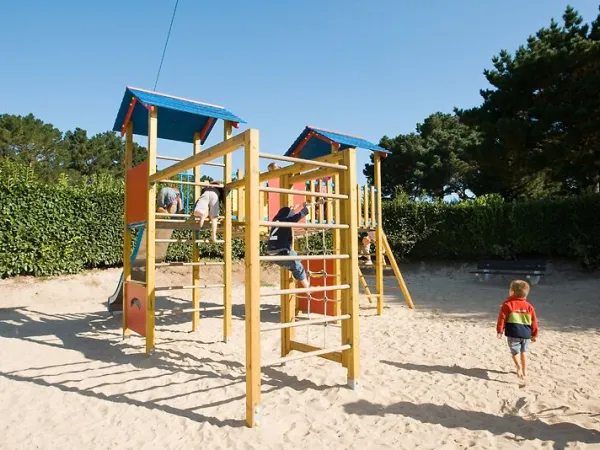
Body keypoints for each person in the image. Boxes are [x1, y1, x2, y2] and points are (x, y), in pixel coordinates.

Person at [496, 280, 539, 380]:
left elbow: (501, 319)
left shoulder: (507, 304)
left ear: (512, 292)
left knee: (515, 353)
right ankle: (525, 370)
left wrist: (499, 331)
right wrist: (534, 335)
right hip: (526, 334)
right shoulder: (529, 307)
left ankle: (518, 367)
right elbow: (534, 322)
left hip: (513, 334)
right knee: (524, 352)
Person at [266, 202, 311, 289]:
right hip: (280, 252)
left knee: (294, 256)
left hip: (272, 253)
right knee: (297, 265)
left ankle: (297, 274)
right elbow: (297, 217)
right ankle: (308, 287)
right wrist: (307, 209)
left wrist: (293, 209)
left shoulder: (276, 220)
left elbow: (290, 214)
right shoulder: (286, 221)